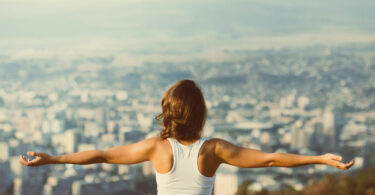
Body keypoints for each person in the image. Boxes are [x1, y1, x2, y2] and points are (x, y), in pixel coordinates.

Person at [19, 79, 355, 195]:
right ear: (200, 113)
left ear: (168, 112)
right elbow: (271, 158)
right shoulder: (213, 150)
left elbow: (102, 155)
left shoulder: (156, 148)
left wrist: (53, 158)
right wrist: (319, 158)